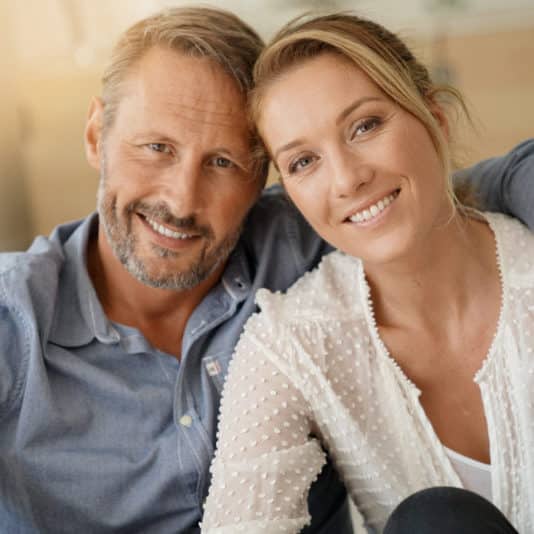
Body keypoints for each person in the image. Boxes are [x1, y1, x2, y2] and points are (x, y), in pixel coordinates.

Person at [0, 7, 531, 534]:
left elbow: (446, 190)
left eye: (223, 162)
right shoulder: (13, 321)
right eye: (156, 147)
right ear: (96, 135)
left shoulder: (314, 226)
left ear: (261, 183)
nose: (182, 200)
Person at [200, 12, 534, 534]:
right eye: (304, 162)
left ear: (435, 119)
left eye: (365, 126)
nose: (348, 179)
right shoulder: (293, 345)